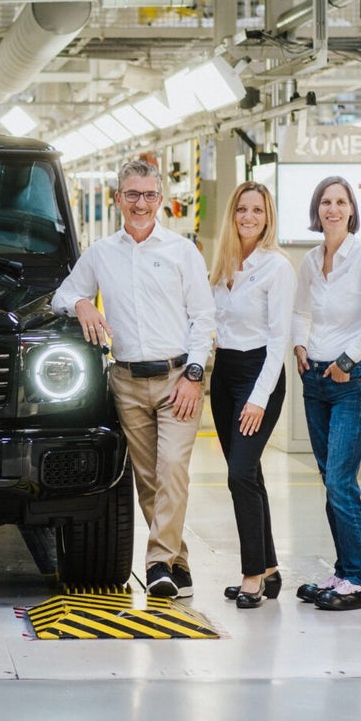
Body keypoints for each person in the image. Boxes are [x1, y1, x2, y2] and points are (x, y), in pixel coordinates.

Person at [52, 158, 215, 599]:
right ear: (118, 198)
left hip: (177, 377)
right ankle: (178, 566)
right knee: (148, 480)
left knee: (173, 470)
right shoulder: (102, 253)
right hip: (125, 381)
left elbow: (204, 319)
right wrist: (81, 305)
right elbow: (62, 294)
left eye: (148, 195)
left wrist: (194, 375)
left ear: (161, 199)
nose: (140, 204)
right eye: (132, 195)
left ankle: (157, 563)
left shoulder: (182, 252)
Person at [291, 176, 361, 611]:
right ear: (316, 211)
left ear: (352, 210)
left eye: (340, 202)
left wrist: (346, 361)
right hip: (314, 379)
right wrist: (299, 344)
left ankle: (360, 580)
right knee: (328, 480)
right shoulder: (312, 261)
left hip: (351, 380)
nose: (332, 209)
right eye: (325, 202)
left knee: (340, 480)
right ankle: (343, 570)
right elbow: (299, 310)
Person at [208, 181, 295, 609]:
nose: (248, 217)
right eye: (242, 208)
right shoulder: (223, 262)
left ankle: (251, 576)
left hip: (259, 376)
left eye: (257, 210)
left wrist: (258, 398)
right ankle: (271, 569)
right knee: (250, 474)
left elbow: (279, 339)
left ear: (268, 216)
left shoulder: (276, 267)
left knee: (239, 474)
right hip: (223, 375)